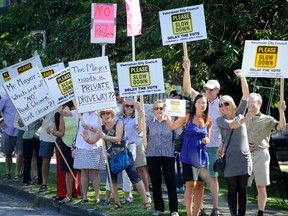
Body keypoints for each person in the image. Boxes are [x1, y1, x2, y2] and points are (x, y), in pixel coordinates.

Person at [82, 108, 151, 210]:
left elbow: (118, 138)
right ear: (101, 116)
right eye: (104, 114)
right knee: (112, 180)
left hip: (124, 154)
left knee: (135, 178)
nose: (106, 115)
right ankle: (117, 202)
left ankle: (146, 201)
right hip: (110, 158)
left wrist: (105, 137)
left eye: (108, 113)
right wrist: (87, 138)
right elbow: (93, 141)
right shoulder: (101, 128)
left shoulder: (119, 123)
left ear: (112, 114)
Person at [182, 58, 223, 215]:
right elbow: (187, 88)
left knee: (212, 178)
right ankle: (199, 208)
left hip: (213, 146)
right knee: (196, 182)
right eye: (206, 89)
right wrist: (187, 69)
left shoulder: (223, 104)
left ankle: (215, 208)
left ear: (217, 91)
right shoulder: (200, 100)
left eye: (211, 90)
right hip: (196, 148)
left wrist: (222, 145)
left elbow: (226, 126)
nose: (208, 92)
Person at [166, 94, 212, 216]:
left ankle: (196, 214)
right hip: (188, 156)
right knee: (191, 185)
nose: (202, 105)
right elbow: (172, 126)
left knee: (201, 186)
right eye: (200, 102)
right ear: (195, 104)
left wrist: (207, 139)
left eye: (204, 103)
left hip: (202, 157)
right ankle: (189, 213)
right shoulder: (188, 116)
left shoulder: (208, 119)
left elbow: (208, 137)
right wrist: (167, 114)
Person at [216, 69, 253, 216]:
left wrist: (242, 77)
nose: (223, 107)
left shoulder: (239, 112)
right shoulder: (220, 120)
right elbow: (233, 125)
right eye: (220, 105)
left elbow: (246, 95)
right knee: (232, 190)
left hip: (244, 158)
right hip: (230, 159)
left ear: (231, 103)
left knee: (242, 191)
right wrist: (246, 118)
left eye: (225, 103)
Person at [246, 93, 286, 216]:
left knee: (261, 186)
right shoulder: (242, 118)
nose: (249, 103)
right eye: (248, 101)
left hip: (261, 155)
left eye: (252, 101)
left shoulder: (267, 119)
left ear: (259, 103)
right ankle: (240, 211)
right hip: (245, 155)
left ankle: (260, 213)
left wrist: (281, 111)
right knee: (241, 185)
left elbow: (281, 127)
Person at [60, 109, 106, 203]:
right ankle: (84, 196)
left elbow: (104, 130)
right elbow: (66, 113)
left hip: (95, 146)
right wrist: (58, 105)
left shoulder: (99, 114)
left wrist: (90, 128)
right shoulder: (80, 111)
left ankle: (97, 197)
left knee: (95, 172)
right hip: (81, 145)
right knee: (83, 171)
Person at [146, 100, 179, 216]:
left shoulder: (171, 122)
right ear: (153, 110)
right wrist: (140, 116)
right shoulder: (149, 122)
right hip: (152, 155)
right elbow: (141, 133)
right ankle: (159, 209)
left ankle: (174, 210)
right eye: (156, 108)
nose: (159, 110)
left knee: (171, 183)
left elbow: (178, 135)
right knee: (156, 183)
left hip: (168, 155)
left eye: (161, 108)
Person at [48, 102, 81, 203]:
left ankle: (82, 195)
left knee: (80, 170)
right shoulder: (63, 115)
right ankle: (69, 195)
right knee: (68, 170)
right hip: (66, 144)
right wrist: (52, 132)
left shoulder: (81, 113)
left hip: (79, 144)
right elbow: (61, 132)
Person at [0, 96, 21, 181]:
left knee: (20, 153)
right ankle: (8, 173)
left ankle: (19, 173)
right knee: (8, 153)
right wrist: (0, 123)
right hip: (7, 130)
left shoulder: (22, 98)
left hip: (20, 130)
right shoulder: (5, 100)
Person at [39, 110, 57, 192]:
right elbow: (37, 118)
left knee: (62, 161)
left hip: (61, 134)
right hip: (46, 135)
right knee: (46, 159)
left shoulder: (64, 103)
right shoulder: (44, 102)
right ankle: (44, 183)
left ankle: (63, 185)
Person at [22, 120, 43, 187]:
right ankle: (26, 180)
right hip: (27, 136)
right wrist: (21, 120)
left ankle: (41, 180)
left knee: (40, 159)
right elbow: (20, 124)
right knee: (27, 159)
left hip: (39, 136)